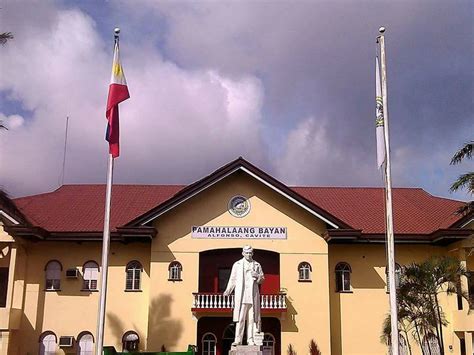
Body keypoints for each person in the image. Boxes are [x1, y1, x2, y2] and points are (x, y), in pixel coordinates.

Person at [224, 245, 265, 346]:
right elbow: (232, 279)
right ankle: (238, 339)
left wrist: (258, 276)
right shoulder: (237, 264)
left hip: (252, 295)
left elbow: (262, 279)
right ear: (243, 253)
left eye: (250, 253)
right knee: (240, 319)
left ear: (252, 253)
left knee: (252, 319)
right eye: (247, 253)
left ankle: (250, 340)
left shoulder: (257, 265)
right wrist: (228, 290)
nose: (249, 255)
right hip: (241, 296)